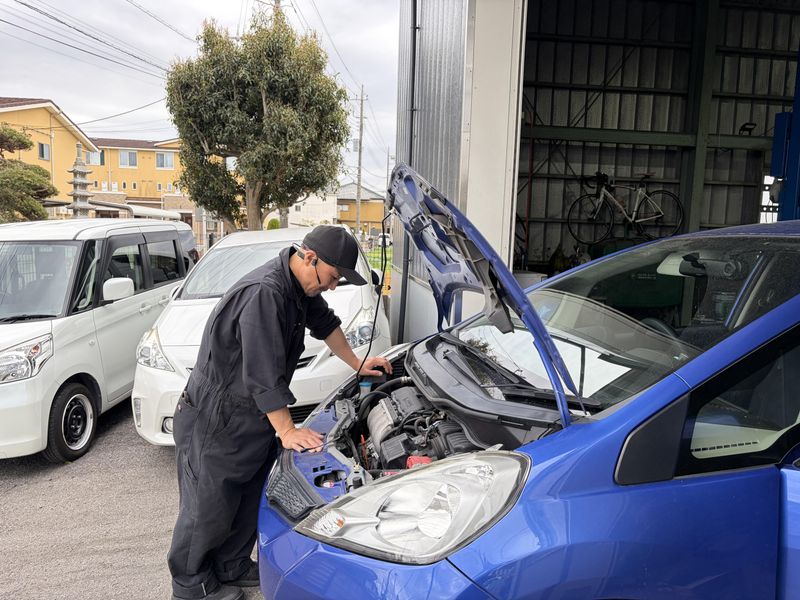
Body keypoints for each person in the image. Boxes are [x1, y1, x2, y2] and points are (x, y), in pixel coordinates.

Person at [167, 225, 392, 600]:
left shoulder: (299, 288)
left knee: (247, 494)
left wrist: (358, 362)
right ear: (309, 258)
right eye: (332, 277)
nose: (333, 286)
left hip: (250, 415)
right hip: (215, 415)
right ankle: (191, 585)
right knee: (208, 503)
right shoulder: (265, 294)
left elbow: (327, 325)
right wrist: (287, 431)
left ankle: (232, 565)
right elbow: (262, 376)